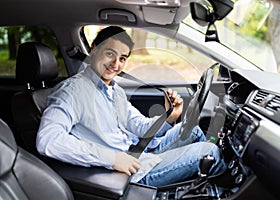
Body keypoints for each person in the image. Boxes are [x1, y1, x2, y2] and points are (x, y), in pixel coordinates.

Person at [36, 26, 223, 187]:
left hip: (139, 153)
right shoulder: (72, 91)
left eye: (122, 58)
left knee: (194, 131)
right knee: (210, 152)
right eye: (110, 54)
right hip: (129, 173)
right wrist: (112, 158)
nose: (115, 65)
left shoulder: (113, 90)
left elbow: (139, 126)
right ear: (94, 50)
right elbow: (48, 140)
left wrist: (169, 117)